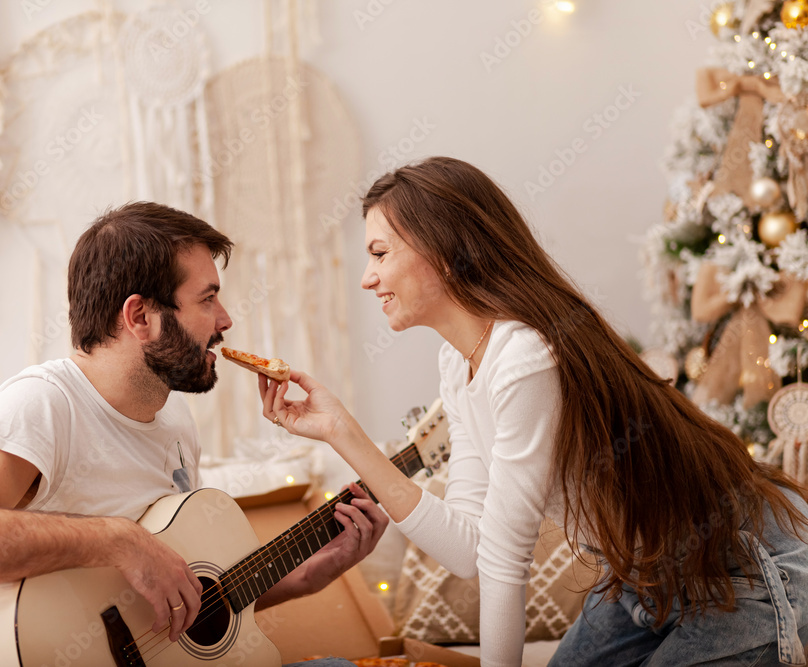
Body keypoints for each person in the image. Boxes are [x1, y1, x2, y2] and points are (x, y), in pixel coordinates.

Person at [259, 156, 808, 667]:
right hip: (641, 580)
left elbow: (504, 562)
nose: (367, 278)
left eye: (380, 254)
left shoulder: (524, 356)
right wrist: (339, 431)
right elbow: (472, 551)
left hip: (742, 568)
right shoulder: (459, 363)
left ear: (445, 252)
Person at [0, 201, 387, 667]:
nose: (226, 320)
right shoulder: (44, 403)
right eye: (208, 299)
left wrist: (303, 577)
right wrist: (119, 540)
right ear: (140, 317)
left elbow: (183, 598)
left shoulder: (175, 423)